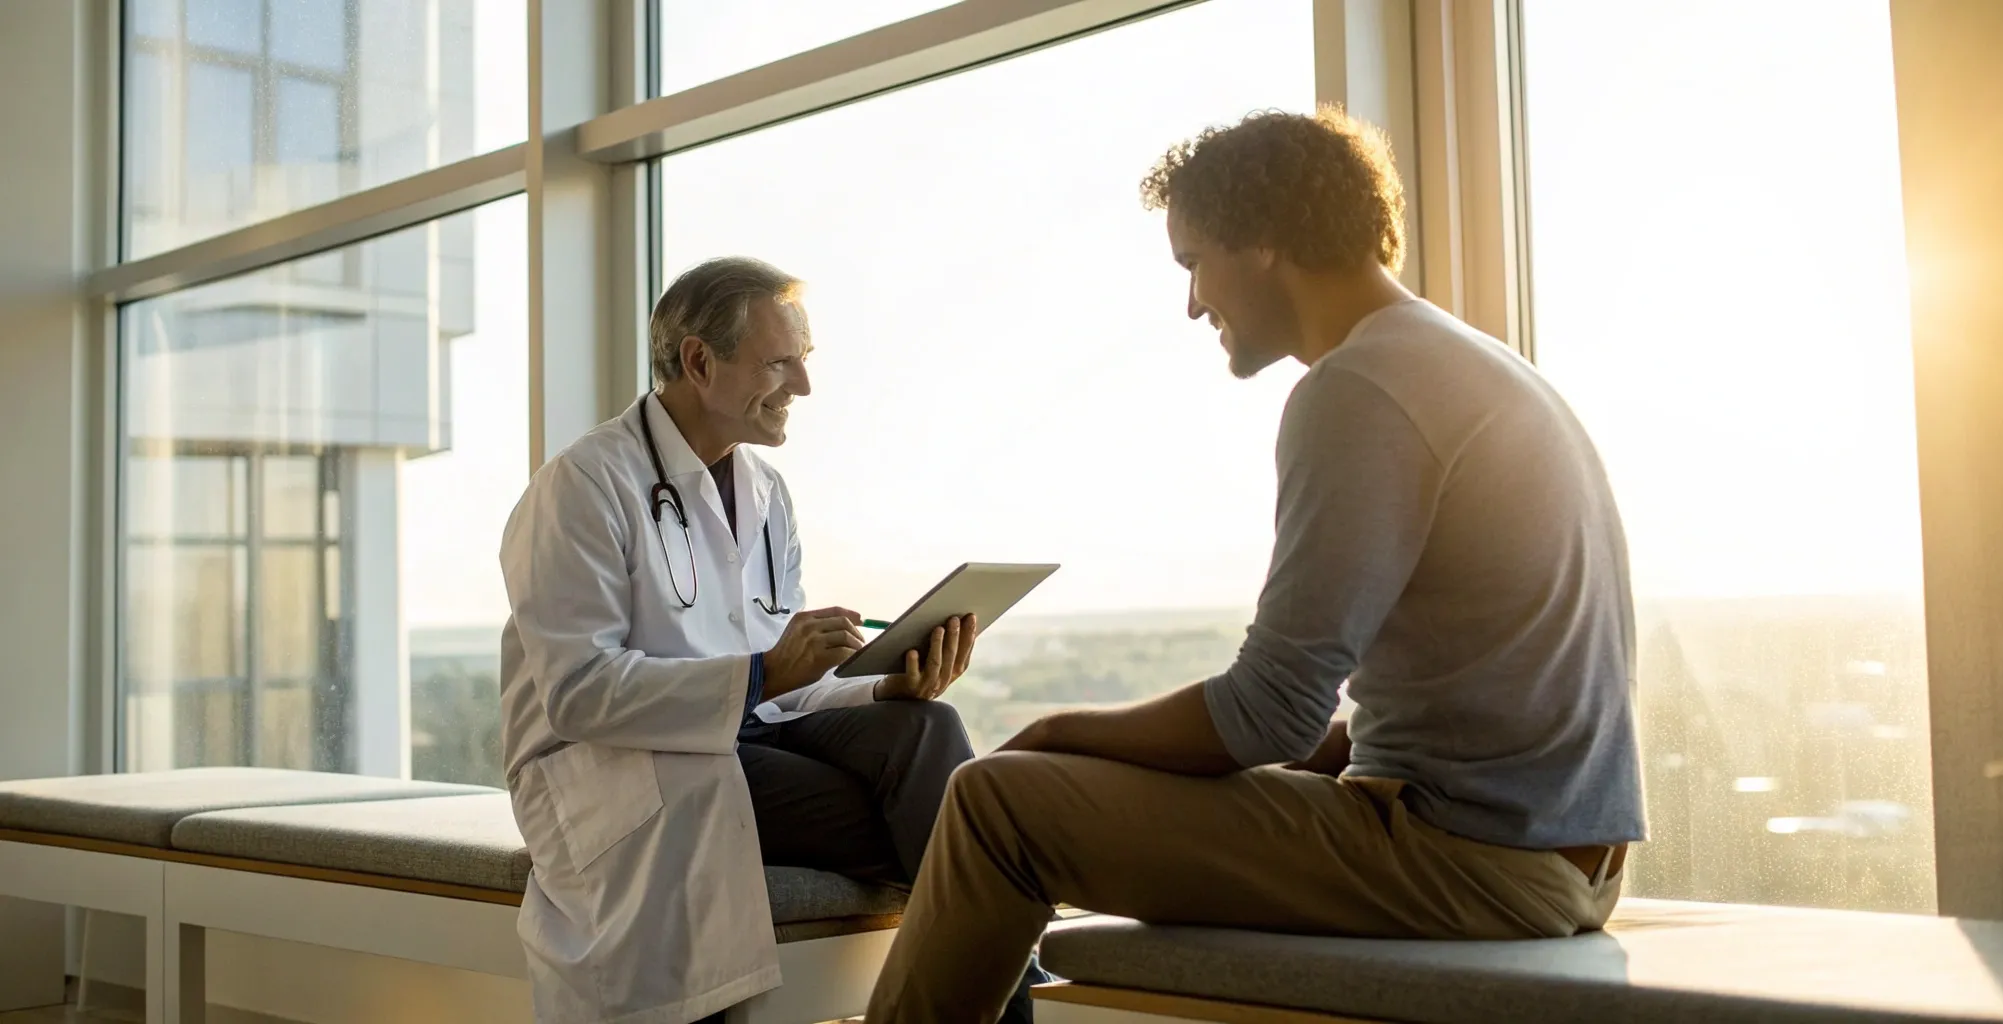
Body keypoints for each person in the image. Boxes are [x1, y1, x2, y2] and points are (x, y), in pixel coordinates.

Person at [864, 109, 1648, 1024]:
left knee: (998, 801)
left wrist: (1055, 732)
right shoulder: (1468, 362)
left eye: (1194, 263)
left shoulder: (1357, 389)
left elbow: (1267, 712)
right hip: (1565, 860)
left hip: (1477, 865)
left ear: (1264, 238)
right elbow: (1399, 714)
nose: (1194, 302)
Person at [498, 256, 1042, 1024]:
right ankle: (1010, 998)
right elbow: (579, 693)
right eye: (780, 363)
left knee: (926, 728)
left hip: (745, 735)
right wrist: (762, 671)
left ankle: (991, 995)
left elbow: (787, 684)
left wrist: (887, 682)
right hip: (628, 761)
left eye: (804, 362)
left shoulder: (764, 491)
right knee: (951, 828)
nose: (804, 388)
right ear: (698, 360)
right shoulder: (584, 487)